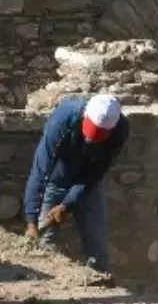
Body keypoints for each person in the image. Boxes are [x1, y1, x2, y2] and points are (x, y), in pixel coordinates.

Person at [24, 94, 128, 276]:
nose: (90, 140)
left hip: (88, 186)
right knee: (45, 243)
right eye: (89, 132)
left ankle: (100, 285)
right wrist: (31, 220)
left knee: (97, 248)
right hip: (55, 180)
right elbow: (41, 168)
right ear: (85, 116)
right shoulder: (64, 119)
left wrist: (67, 204)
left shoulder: (120, 130)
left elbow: (95, 173)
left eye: (98, 136)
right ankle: (49, 290)